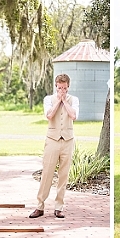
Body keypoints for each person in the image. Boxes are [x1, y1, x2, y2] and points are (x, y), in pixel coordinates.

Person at [29, 73, 79, 219]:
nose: (62, 90)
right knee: (47, 173)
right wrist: (59, 101)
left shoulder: (74, 100)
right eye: (59, 87)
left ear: (68, 87)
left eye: (64, 88)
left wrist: (65, 102)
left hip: (68, 141)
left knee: (64, 175)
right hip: (52, 140)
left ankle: (59, 207)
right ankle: (40, 206)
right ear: (56, 86)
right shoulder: (48, 100)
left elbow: (74, 116)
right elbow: (49, 116)